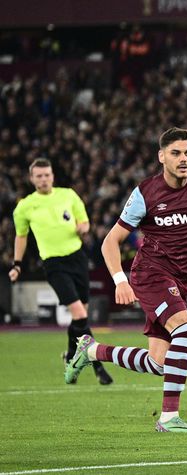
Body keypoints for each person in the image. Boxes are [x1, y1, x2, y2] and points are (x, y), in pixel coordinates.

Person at [64, 127, 187, 432]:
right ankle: (168, 418)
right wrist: (120, 280)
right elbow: (110, 241)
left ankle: (91, 350)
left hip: (179, 279)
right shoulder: (145, 193)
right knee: (186, 330)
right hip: (149, 274)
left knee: (159, 362)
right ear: (161, 157)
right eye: (175, 153)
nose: (183, 159)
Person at [10, 158, 113, 385]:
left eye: (47, 174)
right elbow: (21, 236)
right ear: (32, 178)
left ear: (52, 176)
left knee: (79, 320)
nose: (43, 179)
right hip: (53, 263)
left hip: (77, 258)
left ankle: (69, 357)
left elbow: (85, 223)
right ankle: (98, 367)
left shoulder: (68, 195)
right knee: (80, 315)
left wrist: (82, 229)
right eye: (39, 176)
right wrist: (17, 264)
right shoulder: (25, 206)